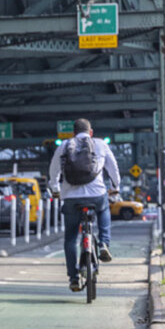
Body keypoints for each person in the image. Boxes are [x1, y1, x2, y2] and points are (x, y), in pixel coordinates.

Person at [48, 118, 120, 291]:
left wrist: (55, 189)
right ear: (91, 132)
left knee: (71, 237)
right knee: (104, 210)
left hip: (71, 198)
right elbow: (113, 168)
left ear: (73, 133)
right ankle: (103, 243)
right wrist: (115, 187)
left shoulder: (64, 146)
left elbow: (53, 171)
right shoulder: (100, 144)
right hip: (97, 195)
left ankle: (73, 277)